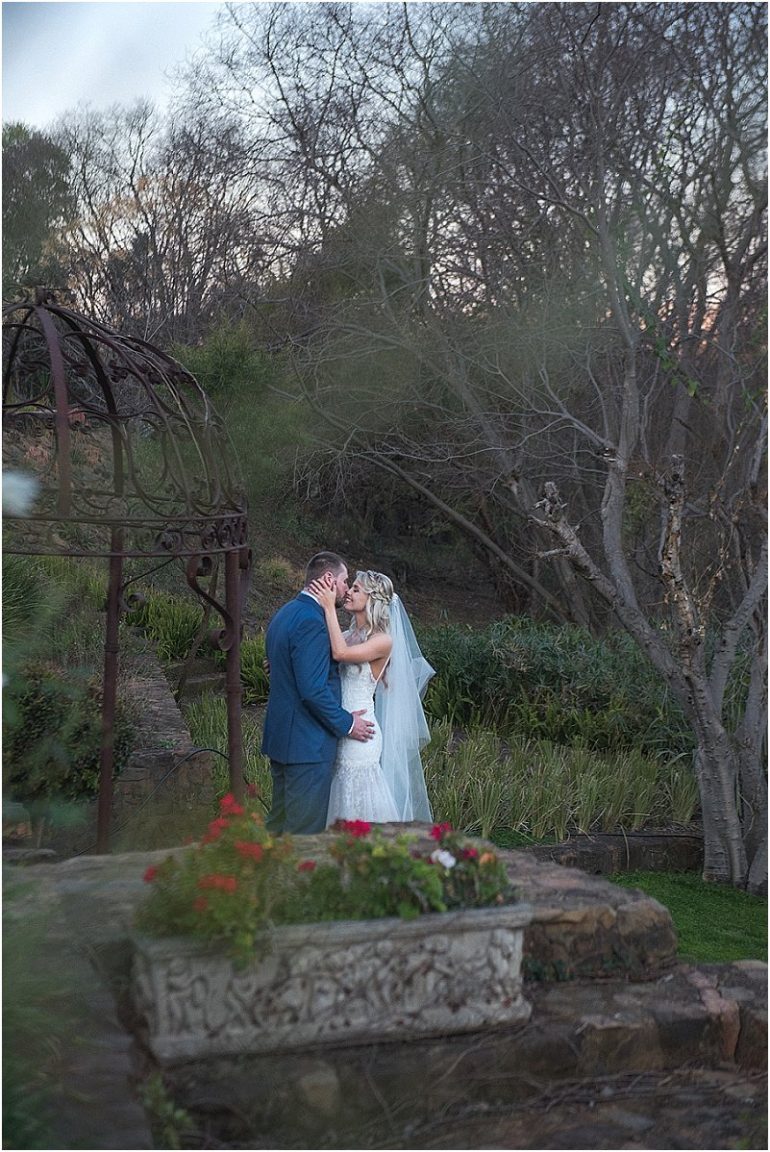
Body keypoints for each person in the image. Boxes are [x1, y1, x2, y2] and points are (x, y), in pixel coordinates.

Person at [307, 569, 435, 825]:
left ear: (372, 600)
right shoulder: (345, 636)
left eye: (356, 589)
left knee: (357, 804)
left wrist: (328, 607)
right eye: (351, 586)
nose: (348, 592)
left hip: (361, 735)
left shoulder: (383, 641)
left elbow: (341, 654)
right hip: (339, 726)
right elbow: (317, 664)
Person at [262, 552, 375, 834]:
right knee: (302, 835)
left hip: (283, 740)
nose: (346, 588)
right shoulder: (312, 622)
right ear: (328, 579)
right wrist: (348, 724)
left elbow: (283, 669)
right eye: (344, 581)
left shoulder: (286, 612)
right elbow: (312, 690)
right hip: (307, 746)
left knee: (277, 828)